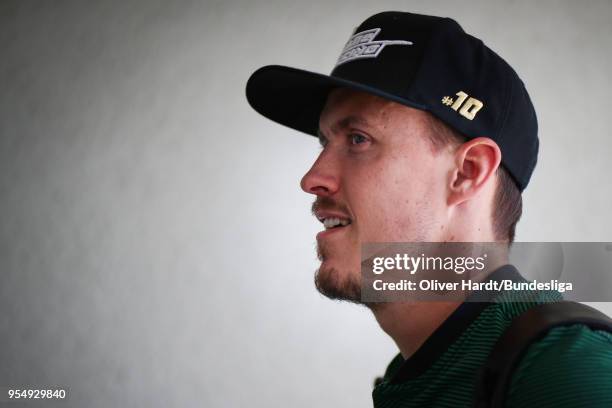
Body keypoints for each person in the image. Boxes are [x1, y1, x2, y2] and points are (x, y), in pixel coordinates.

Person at [245, 11, 612, 407]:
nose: (313, 178)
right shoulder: (414, 372)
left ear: (466, 173)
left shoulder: (565, 371)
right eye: (324, 144)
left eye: (357, 139)